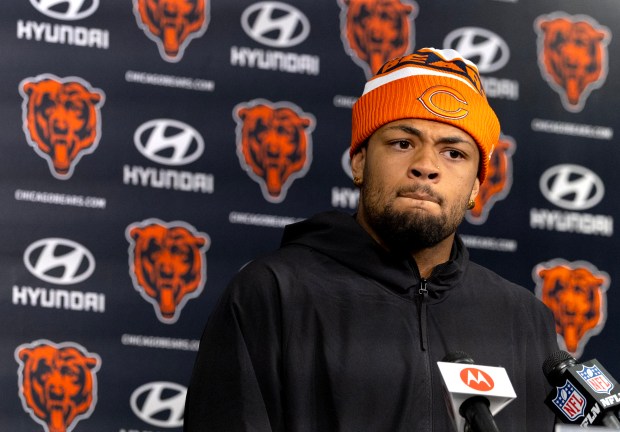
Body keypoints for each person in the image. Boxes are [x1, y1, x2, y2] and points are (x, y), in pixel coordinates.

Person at [184, 47, 559, 431]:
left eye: (453, 152)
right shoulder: (272, 293)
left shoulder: (525, 319)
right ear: (360, 161)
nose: (426, 167)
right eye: (403, 143)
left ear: (477, 185)